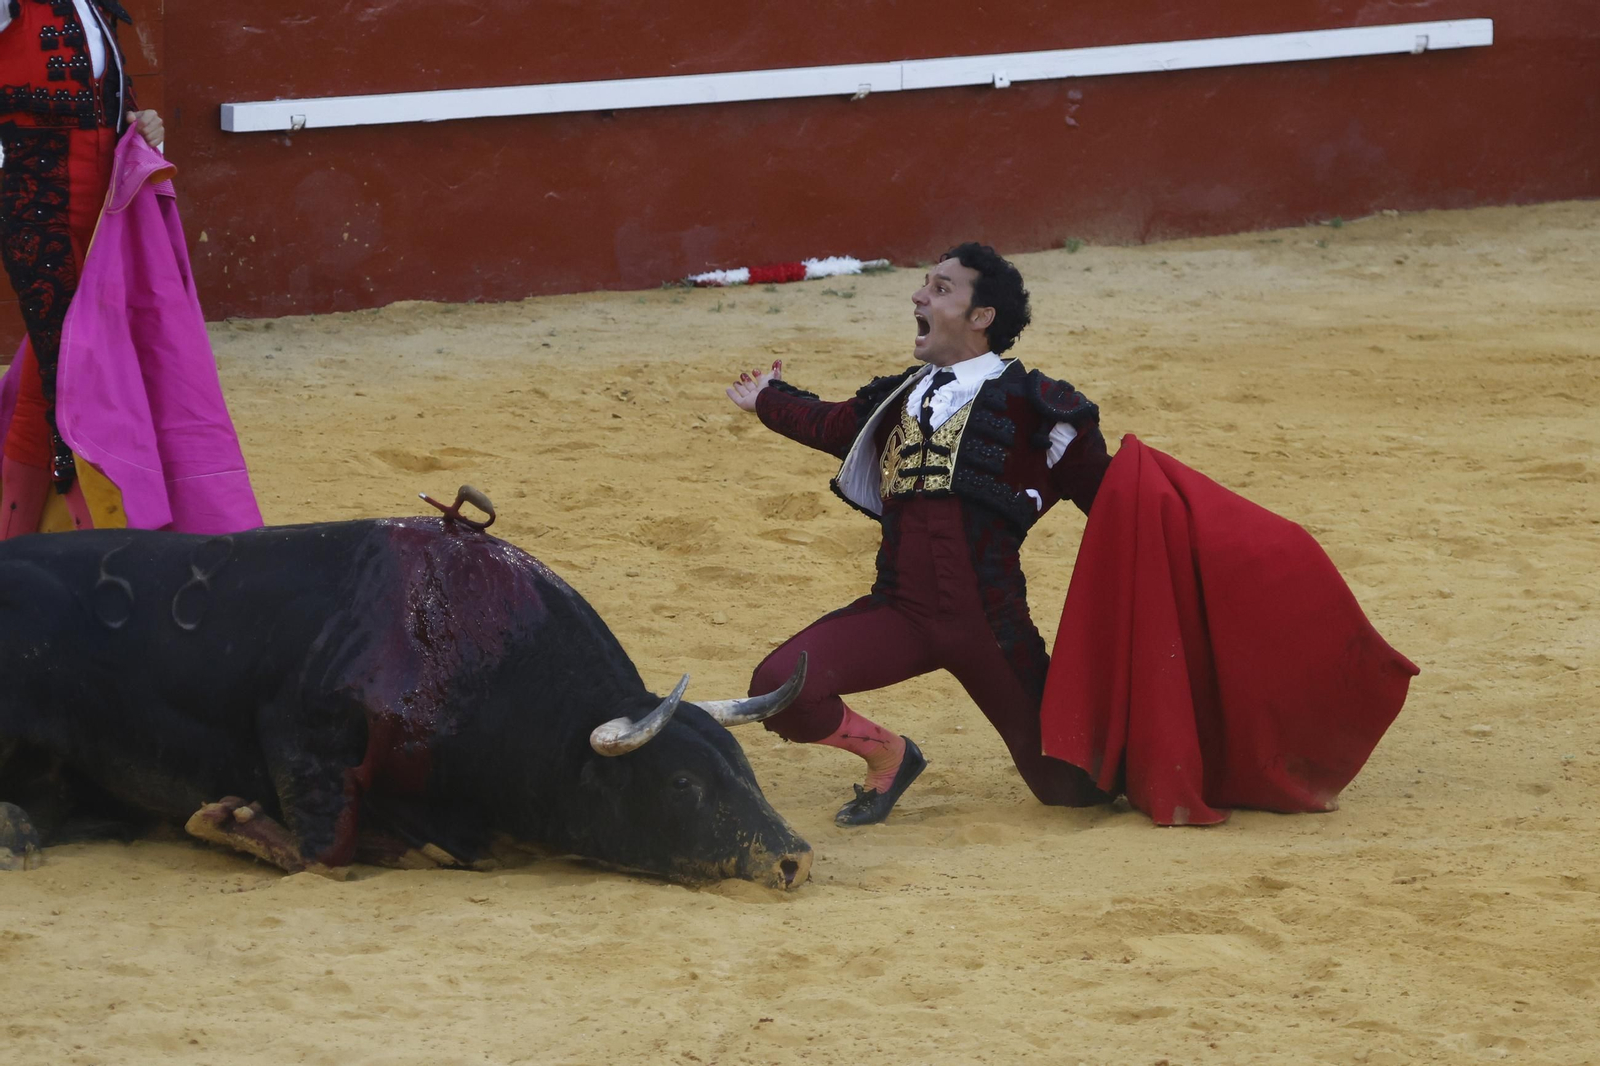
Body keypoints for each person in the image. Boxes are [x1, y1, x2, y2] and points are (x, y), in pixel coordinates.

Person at [725, 242, 1112, 826]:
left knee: (1074, 788)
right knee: (781, 689)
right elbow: (827, 422)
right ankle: (889, 755)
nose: (919, 295)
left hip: (993, 630)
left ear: (981, 316)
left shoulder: (1040, 409)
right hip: (900, 615)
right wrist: (767, 399)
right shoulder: (897, 399)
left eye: (940, 288)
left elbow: (1113, 503)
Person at [0, 0, 165, 536]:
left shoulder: (94, 7)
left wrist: (142, 122)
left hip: (103, 207)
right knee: (71, 371)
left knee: (51, 371)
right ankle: (91, 538)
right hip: (34, 201)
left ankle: (15, 537)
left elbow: (107, 106)